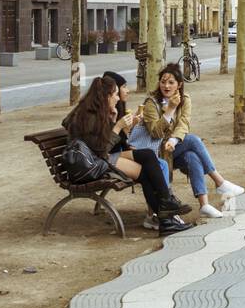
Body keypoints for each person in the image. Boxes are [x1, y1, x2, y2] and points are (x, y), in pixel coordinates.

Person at [63, 76, 193, 236]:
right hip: (91, 164)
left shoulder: (99, 111)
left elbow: (110, 145)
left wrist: (119, 125)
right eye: (115, 94)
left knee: (147, 155)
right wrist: (117, 126)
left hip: (100, 157)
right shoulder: (88, 116)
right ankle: (166, 217)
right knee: (145, 174)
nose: (118, 98)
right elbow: (100, 150)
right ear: (106, 96)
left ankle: (166, 208)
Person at [139, 64, 245, 220]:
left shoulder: (185, 99)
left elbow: (184, 124)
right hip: (156, 152)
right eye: (163, 81)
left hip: (174, 148)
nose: (166, 86)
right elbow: (155, 132)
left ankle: (204, 205)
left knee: (191, 156)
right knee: (193, 140)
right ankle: (219, 182)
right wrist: (169, 110)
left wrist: (174, 140)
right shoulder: (151, 103)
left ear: (179, 84)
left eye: (171, 82)